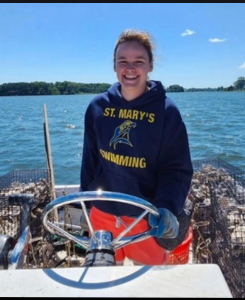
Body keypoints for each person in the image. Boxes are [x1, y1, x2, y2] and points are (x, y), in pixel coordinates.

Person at [80, 29, 193, 265]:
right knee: (106, 278)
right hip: (102, 214)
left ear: (150, 66)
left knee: (150, 283)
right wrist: (85, 206)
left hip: (148, 218)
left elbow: (176, 169)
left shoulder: (167, 111)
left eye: (138, 61)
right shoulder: (96, 107)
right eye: (123, 61)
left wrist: (167, 207)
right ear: (114, 66)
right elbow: (89, 161)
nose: (130, 68)